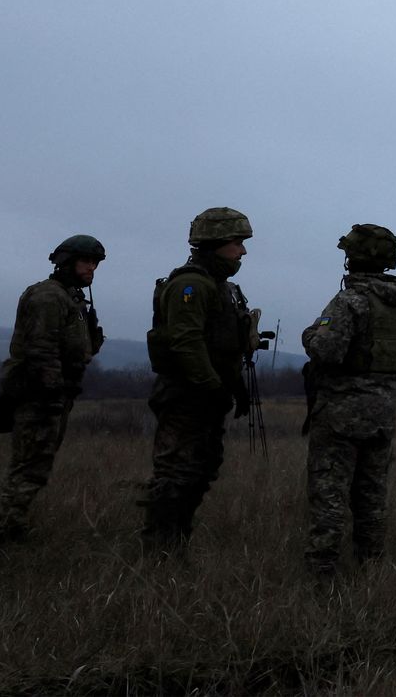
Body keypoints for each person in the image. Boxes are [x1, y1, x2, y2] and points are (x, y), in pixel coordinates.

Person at [300, 224, 396, 579]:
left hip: (340, 413)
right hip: (382, 412)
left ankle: (322, 574)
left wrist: (310, 334)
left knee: (329, 494)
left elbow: (326, 349)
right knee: (371, 495)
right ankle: (371, 566)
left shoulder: (349, 301)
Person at [141, 207, 260, 550]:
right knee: (175, 473)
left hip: (207, 396)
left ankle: (176, 542)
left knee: (201, 470)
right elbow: (186, 343)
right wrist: (213, 388)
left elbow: (222, 346)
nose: (243, 251)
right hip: (185, 396)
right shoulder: (190, 285)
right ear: (215, 243)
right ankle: (160, 550)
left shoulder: (220, 287)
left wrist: (233, 387)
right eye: (237, 242)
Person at [0, 235, 108, 544]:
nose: (91, 269)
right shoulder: (47, 297)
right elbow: (41, 351)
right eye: (86, 262)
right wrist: (51, 394)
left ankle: (11, 525)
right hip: (39, 394)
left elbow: (80, 349)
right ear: (67, 262)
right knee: (30, 466)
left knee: (37, 464)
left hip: (58, 392)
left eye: (95, 264)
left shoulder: (72, 299)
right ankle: (6, 533)